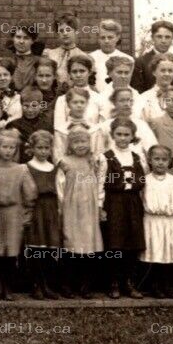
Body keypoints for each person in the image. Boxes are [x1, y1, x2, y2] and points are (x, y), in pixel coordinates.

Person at [100, 119, 147, 299]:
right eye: (119, 134)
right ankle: (113, 282)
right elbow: (100, 184)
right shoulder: (106, 157)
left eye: (126, 134)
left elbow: (143, 182)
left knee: (132, 243)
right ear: (112, 135)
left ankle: (129, 282)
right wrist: (100, 207)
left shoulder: (137, 157)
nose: (123, 138)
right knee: (115, 242)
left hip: (133, 203)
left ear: (132, 136)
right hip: (114, 203)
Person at [56, 126, 104, 298]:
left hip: (89, 209)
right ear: (70, 144)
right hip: (71, 209)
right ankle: (67, 284)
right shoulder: (64, 162)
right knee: (71, 244)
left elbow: (100, 184)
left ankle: (86, 285)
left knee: (88, 246)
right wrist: (61, 209)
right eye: (76, 142)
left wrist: (100, 205)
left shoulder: (94, 161)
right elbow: (60, 188)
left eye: (83, 141)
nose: (80, 145)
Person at [0, 131, 36, 303]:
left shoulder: (21, 169)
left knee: (11, 252)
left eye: (12, 147)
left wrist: (26, 214)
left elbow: (30, 194)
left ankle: (8, 287)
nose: (8, 151)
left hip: (14, 214)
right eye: (4, 147)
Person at [141, 145, 173, 298]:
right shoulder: (145, 181)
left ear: (169, 162)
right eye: (156, 159)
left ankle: (168, 286)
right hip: (151, 221)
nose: (160, 163)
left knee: (170, 254)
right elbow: (140, 200)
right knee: (155, 254)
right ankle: (155, 286)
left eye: (164, 159)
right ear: (149, 160)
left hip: (170, 222)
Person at [22, 129, 62, 298]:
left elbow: (60, 192)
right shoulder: (26, 168)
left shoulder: (54, 168)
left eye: (46, 148)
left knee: (50, 250)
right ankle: (36, 285)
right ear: (32, 148)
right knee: (35, 249)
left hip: (51, 210)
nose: (43, 151)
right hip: (36, 210)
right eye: (39, 148)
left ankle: (48, 285)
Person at [132, 20, 173, 94]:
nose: (163, 41)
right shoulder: (140, 62)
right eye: (159, 37)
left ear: (172, 38)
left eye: (167, 37)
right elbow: (138, 92)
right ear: (152, 37)